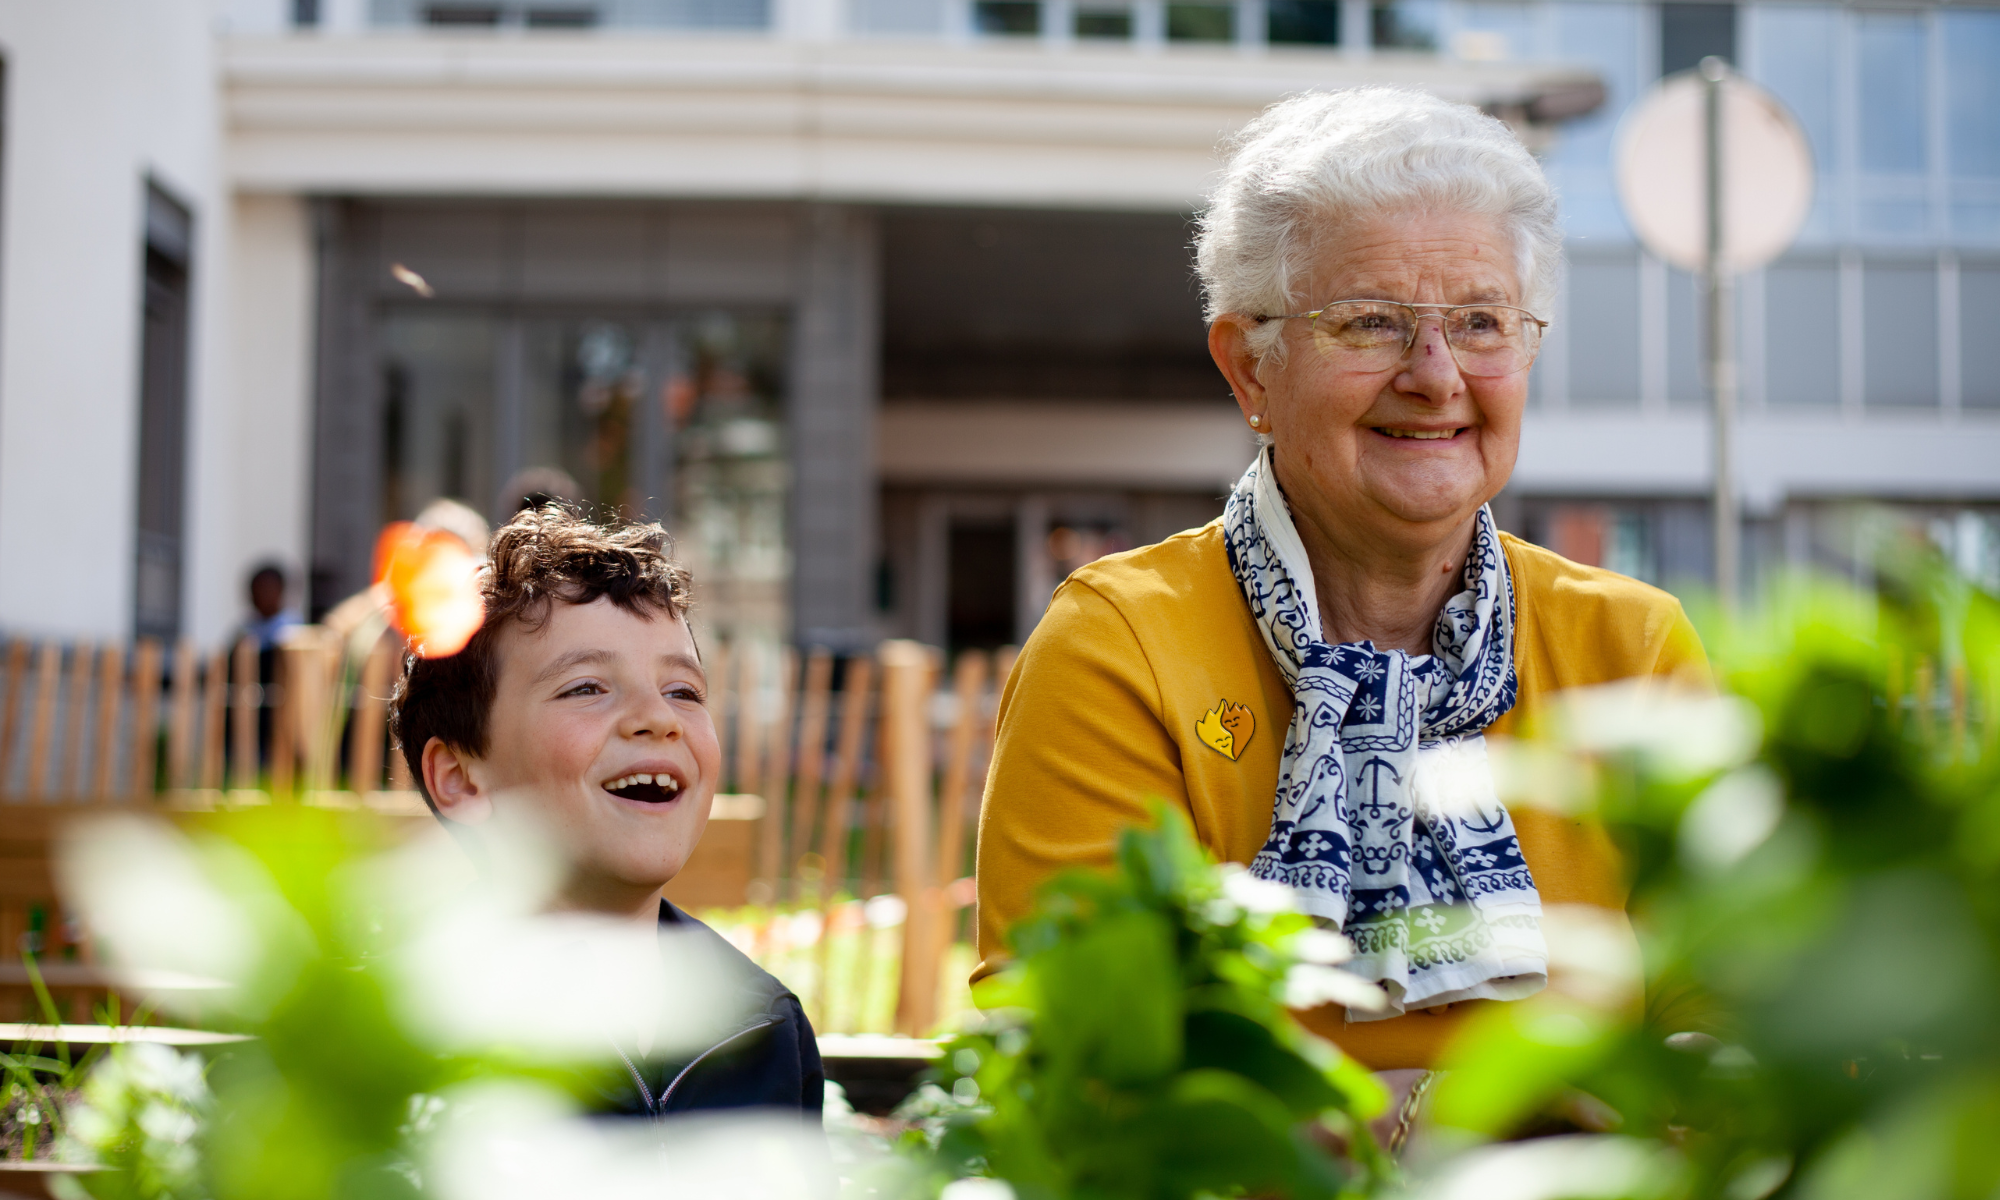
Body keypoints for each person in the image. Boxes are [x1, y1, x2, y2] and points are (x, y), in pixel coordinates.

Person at [974, 88, 1709, 1132]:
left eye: (1478, 321)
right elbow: (1065, 1059)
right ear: (1248, 368)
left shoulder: (1629, 649)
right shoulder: (1119, 646)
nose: (1435, 375)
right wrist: (1462, 1137)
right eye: (1370, 322)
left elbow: (1741, 1017)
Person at [388, 506, 823, 1120]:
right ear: (461, 780)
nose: (658, 717)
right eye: (587, 687)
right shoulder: (397, 1028)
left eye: (684, 691)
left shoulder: (762, 1023)